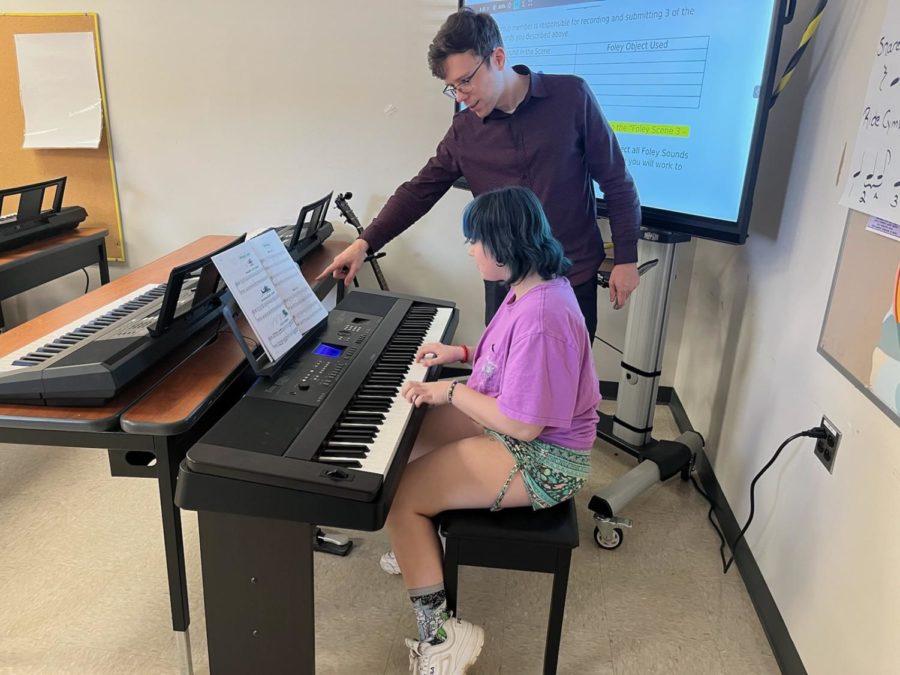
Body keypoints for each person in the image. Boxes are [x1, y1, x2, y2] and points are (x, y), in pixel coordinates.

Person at [318, 8, 642, 338]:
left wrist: (626, 257)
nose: (460, 96)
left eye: (466, 81)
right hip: (505, 285)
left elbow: (616, 180)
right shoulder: (464, 132)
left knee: (566, 381)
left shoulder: (571, 97)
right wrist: (364, 243)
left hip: (572, 276)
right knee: (501, 378)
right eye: (452, 87)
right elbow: (419, 191)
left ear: (497, 58)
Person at [388, 186, 599, 673]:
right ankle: (415, 547)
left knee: (401, 499)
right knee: (406, 437)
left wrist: (451, 391)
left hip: (545, 458)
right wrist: (459, 356)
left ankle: (442, 637)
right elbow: (504, 362)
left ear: (504, 244)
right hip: (519, 427)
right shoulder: (531, 287)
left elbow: (524, 425)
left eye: (474, 240)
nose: (470, 249)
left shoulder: (543, 315)